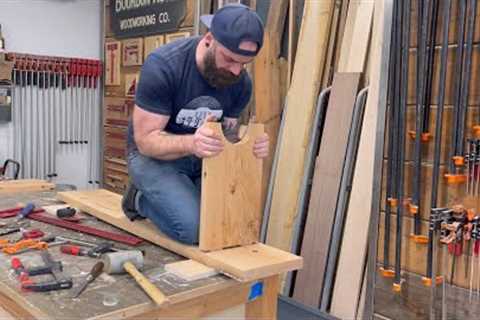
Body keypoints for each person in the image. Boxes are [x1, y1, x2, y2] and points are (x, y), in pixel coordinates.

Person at [122, 4, 270, 245]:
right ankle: (138, 199)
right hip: (153, 158)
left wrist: (250, 145)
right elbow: (146, 140)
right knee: (195, 230)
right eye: (230, 59)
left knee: (227, 220)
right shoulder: (164, 66)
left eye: (244, 64)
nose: (235, 71)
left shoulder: (241, 83)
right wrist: (192, 143)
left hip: (202, 157)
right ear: (209, 39)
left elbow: (229, 135)